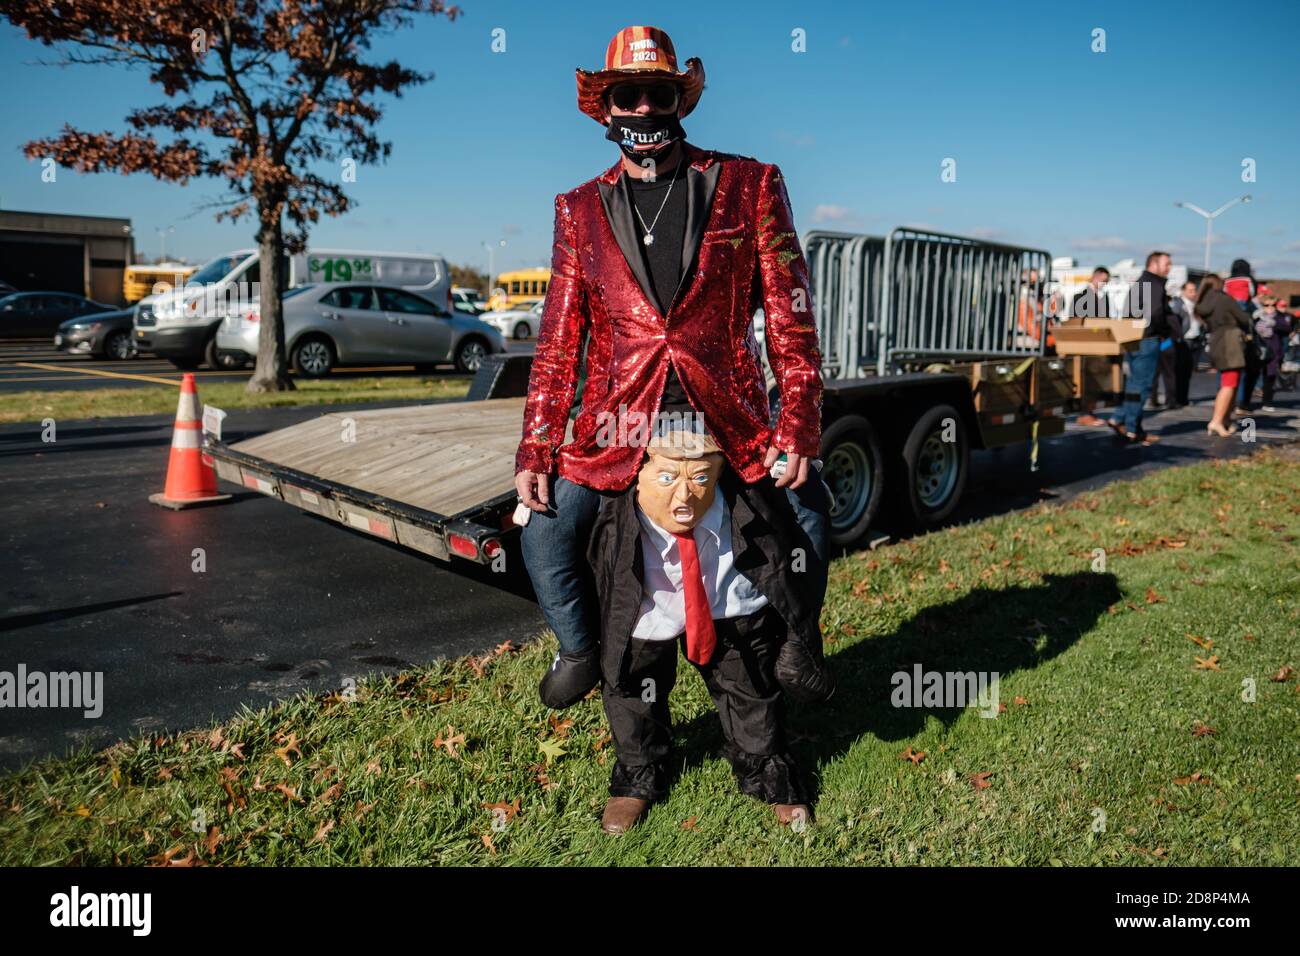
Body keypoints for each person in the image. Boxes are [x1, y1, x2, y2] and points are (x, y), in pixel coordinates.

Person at [514, 26, 830, 710]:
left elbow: (790, 316)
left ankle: (802, 642)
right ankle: (578, 649)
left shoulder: (750, 184)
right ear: (606, 108)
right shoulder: (576, 211)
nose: (645, 110)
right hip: (620, 424)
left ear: (679, 102)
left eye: (659, 94)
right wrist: (536, 446)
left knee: (807, 506)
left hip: (729, 418)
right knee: (544, 527)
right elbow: (558, 340)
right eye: (629, 96)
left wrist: (798, 422)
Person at [587, 425, 833, 833]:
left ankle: (764, 765)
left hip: (726, 594)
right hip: (646, 603)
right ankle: (639, 770)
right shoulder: (619, 501)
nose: (684, 497)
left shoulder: (744, 499)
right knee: (634, 681)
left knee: (748, 677)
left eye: (699, 478)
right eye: (667, 479)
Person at [1110, 251, 1175, 445]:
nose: (1169, 267)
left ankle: (1119, 418)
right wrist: (1164, 330)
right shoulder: (1154, 284)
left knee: (1134, 384)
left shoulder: (1140, 282)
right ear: (1153, 264)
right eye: (1167, 264)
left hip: (1133, 338)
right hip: (1147, 339)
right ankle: (1132, 429)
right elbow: (1156, 313)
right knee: (1143, 385)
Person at [1195, 273, 1252, 437]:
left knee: (1228, 382)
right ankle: (1217, 421)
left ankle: (1225, 420)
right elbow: (1243, 318)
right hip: (1230, 341)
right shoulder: (1224, 299)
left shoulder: (1203, 302)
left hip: (1216, 340)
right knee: (1229, 383)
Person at [1072, 266, 1112, 427]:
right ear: (1095, 277)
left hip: (1099, 345)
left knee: (1096, 380)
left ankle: (1089, 412)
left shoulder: (1104, 297)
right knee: (1087, 379)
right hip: (1086, 345)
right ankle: (1085, 414)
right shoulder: (1080, 296)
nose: (1105, 284)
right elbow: (1077, 320)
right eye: (1104, 280)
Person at [1224, 259, 1259, 411]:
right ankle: (1240, 401)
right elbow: (1253, 292)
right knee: (1242, 367)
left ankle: (1228, 401)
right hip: (1243, 317)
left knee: (1229, 369)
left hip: (1229, 320)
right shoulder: (1248, 279)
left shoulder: (1228, 281)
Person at [1248, 296, 1291, 412]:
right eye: (1267, 305)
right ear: (1263, 306)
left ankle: (1267, 402)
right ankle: (1245, 403)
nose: (1270, 308)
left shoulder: (1279, 317)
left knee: (1269, 377)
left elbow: (1287, 328)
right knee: (1252, 376)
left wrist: (1274, 324)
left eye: (1273, 305)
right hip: (1257, 350)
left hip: (1272, 351)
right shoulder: (1257, 316)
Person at [1171, 278, 1204, 406]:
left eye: (1194, 290)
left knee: (1188, 372)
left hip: (1195, 340)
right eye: (1190, 290)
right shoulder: (1179, 305)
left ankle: (1183, 397)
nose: (1193, 293)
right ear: (1183, 291)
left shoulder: (1196, 305)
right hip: (1183, 340)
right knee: (1180, 371)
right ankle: (1177, 398)